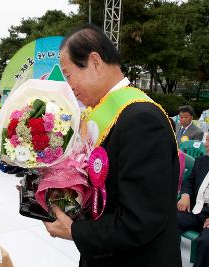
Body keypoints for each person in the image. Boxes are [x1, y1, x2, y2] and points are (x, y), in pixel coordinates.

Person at [43, 24, 181, 267]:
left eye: (68, 74)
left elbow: (141, 220)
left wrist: (76, 231)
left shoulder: (142, 119)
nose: (69, 86)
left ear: (95, 62)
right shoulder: (104, 115)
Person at [177, 133, 209, 267]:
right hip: (196, 210)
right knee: (169, 221)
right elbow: (189, 181)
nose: (206, 144)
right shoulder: (202, 160)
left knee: (207, 242)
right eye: (207, 140)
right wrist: (185, 195)